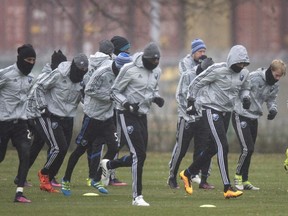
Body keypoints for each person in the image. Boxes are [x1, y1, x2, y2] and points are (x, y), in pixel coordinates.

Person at [179, 45, 250, 199]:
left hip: (226, 112)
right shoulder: (217, 70)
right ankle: (227, 187)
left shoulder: (244, 74)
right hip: (211, 109)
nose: (241, 67)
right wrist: (191, 101)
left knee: (212, 148)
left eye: (244, 64)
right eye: (239, 63)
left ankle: (188, 173)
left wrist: (246, 98)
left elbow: (245, 88)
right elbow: (196, 83)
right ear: (232, 61)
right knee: (222, 146)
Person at [61, 52, 132, 196]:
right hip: (92, 117)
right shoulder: (102, 73)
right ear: (117, 66)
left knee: (114, 147)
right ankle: (66, 179)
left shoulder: (124, 74)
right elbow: (89, 90)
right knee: (80, 150)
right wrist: (109, 97)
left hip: (107, 118)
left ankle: (96, 178)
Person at [107, 42, 164, 206]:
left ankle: (109, 164)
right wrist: (127, 104)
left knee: (140, 155)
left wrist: (156, 98)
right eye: (152, 60)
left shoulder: (157, 72)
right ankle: (137, 197)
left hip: (142, 115)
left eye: (157, 60)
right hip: (126, 114)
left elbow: (153, 90)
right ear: (145, 59)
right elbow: (114, 91)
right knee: (138, 155)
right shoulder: (129, 69)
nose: (155, 63)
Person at [31, 53, 88, 193]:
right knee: (58, 147)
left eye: (84, 71)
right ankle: (44, 173)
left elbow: (84, 97)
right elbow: (39, 87)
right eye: (79, 70)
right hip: (51, 115)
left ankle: (48, 180)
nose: (80, 73)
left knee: (63, 151)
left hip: (68, 118)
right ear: (74, 67)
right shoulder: (58, 74)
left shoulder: (82, 80)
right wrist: (42, 106)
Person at [232, 59, 286, 190]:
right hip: (240, 114)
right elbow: (240, 88)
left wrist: (273, 109)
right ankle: (237, 177)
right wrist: (244, 99)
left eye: (280, 76)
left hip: (254, 117)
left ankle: (245, 181)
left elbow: (271, 99)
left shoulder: (274, 85)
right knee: (247, 148)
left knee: (250, 150)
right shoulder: (254, 77)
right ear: (270, 70)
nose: (278, 79)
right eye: (277, 75)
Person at [168, 55, 215, 190]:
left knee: (205, 149)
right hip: (186, 118)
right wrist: (188, 110)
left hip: (203, 118)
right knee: (181, 149)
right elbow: (180, 95)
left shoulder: (211, 78)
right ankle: (172, 177)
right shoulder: (188, 75)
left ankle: (203, 179)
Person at [22, 50, 67, 188]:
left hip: (40, 114)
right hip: (35, 114)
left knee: (40, 145)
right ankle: (32, 176)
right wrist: (32, 115)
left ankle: (25, 176)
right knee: (51, 146)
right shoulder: (46, 75)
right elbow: (34, 94)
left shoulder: (53, 73)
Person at [0, 44, 36, 203]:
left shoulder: (30, 79)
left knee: (25, 153)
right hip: (3, 122)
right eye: (29, 59)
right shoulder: (5, 74)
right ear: (21, 59)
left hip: (20, 123)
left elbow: (27, 101)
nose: (31, 63)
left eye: (34, 60)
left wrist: (30, 119)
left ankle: (19, 193)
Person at [83, 39, 114, 186]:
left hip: (88, 110)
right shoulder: (108, 65)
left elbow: (84, 85)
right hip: (103, 111)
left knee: (87, 144)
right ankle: (96, 176)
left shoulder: (89, 63)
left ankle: (90, 176)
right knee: (99, 145)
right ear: (110, 52)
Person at [107, 35, 132, 186]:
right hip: (114, 111)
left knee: (116, 142)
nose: (128, 53)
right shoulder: (113, 66)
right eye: (125, 50)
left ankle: (106, 174)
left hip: (116, 109)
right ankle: (108, 175)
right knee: (115, 143)